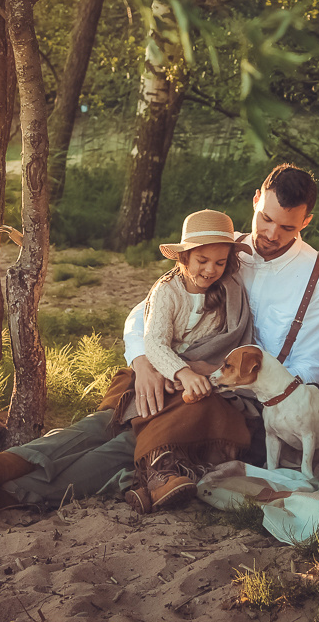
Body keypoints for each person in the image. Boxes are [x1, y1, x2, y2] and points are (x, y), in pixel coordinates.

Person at [0, 164, 319, 515]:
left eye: (285, 227)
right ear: (256, 201)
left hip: (248, 402)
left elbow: (309, 369)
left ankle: (10, 490)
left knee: (131, 438)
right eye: (264, 219)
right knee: (115, 419)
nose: (269, 234)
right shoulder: (221, 246)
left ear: (306, 221)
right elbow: (146, 314)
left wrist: (225, 379)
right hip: (177, 371)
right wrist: (145, 363)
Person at [99, 209, 254, 512]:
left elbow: (226, 341)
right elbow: (154, 342)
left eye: (220, 262)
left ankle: (150, 481)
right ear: (183, 258)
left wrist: (202, 372)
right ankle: (158, 471)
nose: (211, 270)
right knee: (160, 404)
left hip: (202, 372)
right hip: (166, 369)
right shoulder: (167, 292)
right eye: (202, 261)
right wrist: (182, 372)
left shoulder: (229, 291)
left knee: (210, 408)